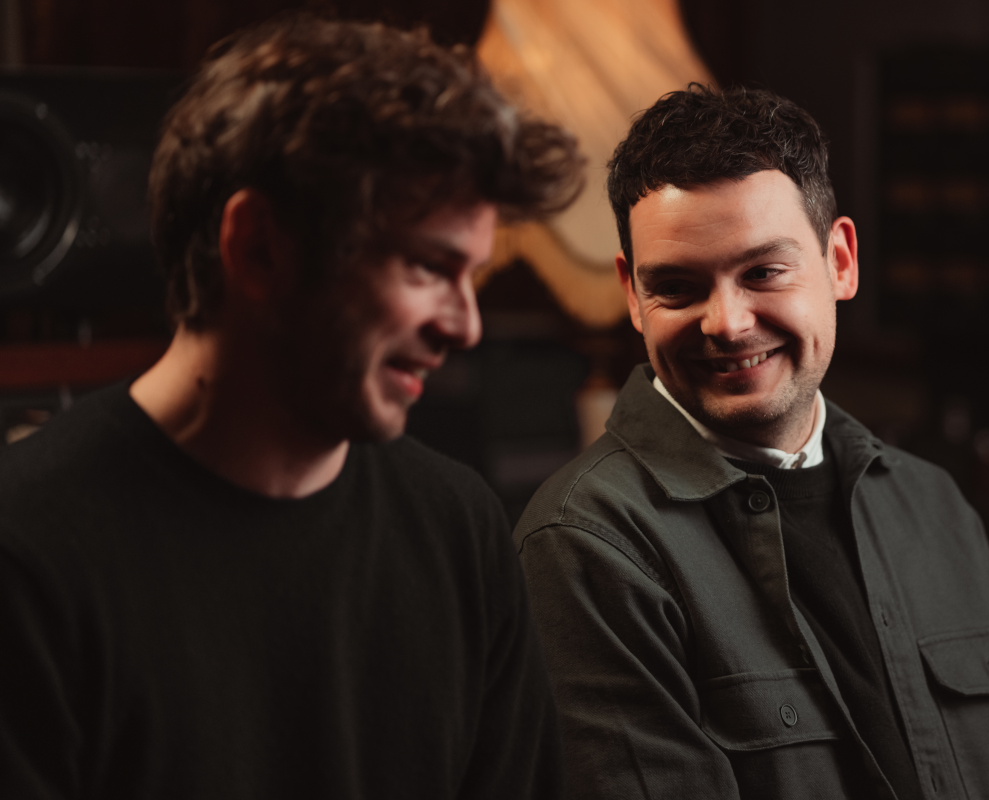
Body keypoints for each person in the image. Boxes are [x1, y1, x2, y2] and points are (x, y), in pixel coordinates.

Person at [0, 14, 583, 799]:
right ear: (258, 247)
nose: (466, 326)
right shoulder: (27, 552)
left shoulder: (458, 527)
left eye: (471, 276)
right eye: (426, 267)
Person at [514, 85, 989, 800]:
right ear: (632, 295)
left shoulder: (933, 506)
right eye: (677, 287)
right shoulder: (585, 548)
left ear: (840, 261)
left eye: (762, 272)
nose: (727, 323)